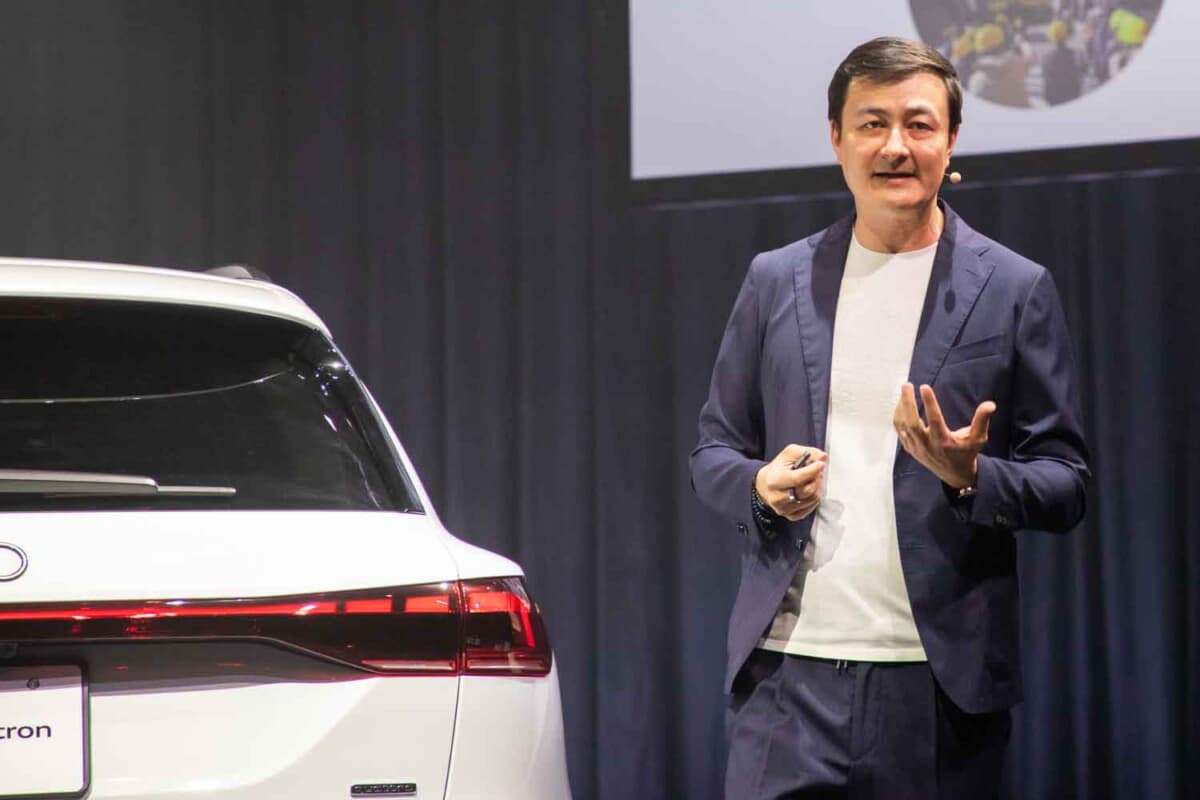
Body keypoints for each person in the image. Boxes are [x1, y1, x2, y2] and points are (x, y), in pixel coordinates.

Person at [689, 36, 1089, 799]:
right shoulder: (776, 280)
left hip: (939, 692)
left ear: (951, 140)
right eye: (872, 123)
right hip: (787, 683)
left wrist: (972, 476)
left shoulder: (1014, 288)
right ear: (836, 138)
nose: (895, 146)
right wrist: (760, 486)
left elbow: (1067, 483)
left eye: (918, 124)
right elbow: (713, 452)